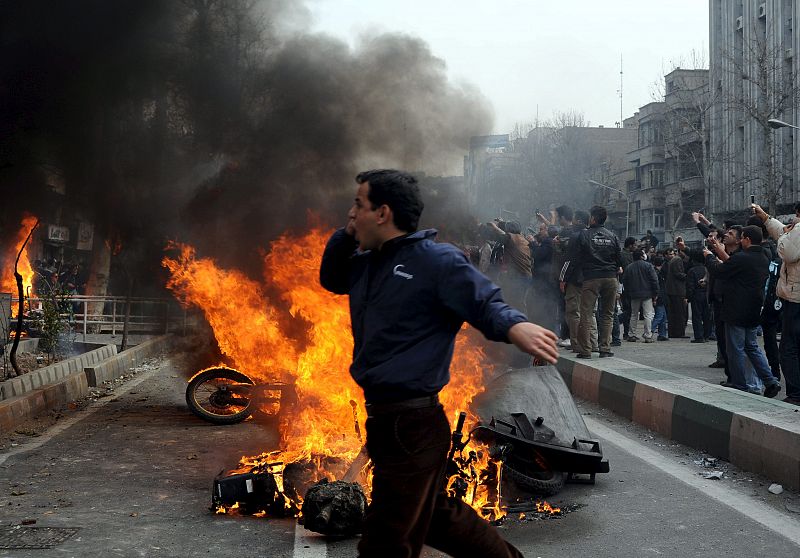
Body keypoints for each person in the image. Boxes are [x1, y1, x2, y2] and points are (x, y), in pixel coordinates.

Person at [319, 169, 558, 558]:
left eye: (358, 205)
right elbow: (331, 277)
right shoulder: (366, 263)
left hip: (413, 425)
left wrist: (515, 325)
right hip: (385, 422)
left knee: (385, 540)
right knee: (433, 517)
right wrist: (346, 234)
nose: (351, 213)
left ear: (382, 213)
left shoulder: (434, 260)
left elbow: (483, 301)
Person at [705, 225, 781, 397]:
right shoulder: (764, 256)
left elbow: (720, 271)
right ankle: (770, 381)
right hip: (753, 309)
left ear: (746, 239)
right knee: (752, 347)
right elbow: (732, 266)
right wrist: (719, 249)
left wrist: (709, 256)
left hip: (736, 310)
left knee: (735, 350)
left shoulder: (742, 257)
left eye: (742, 237)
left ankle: (739, 384)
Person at [754, 204, 800, 406]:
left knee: (789, 347)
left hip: (796, 298)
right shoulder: (795, 232)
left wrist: (789, 232)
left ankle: (796, 393)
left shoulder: (798, 230)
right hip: (795, 296)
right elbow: (786, 235)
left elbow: (787, 251)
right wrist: (766, 218)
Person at [574, 205, 622, 359]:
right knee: (608, 314)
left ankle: (586, 350)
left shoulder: (584, 235)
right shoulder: (612, 236)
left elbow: (577, 257)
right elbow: (619, 259)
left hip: (591, 278)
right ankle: (605, 349)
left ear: (593, 218)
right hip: (610, 277)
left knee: (586, 314)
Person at [621, 249, 658, 342]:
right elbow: (654, 280)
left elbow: (624, 281)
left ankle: (632, 334)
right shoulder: (648, 266)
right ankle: (648, 335)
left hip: (634, 294)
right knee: (648, 315)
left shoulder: (629, 267)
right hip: (647, 293)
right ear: (642, 256)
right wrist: (655, 293)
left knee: (634, 314)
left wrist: (628, 292)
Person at [686, 251, 712, 343]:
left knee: (697, 317)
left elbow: (690, 286)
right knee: (707, 316)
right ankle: (706, 335)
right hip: (707, 295)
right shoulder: (707, 269)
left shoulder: (692, 271)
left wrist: (688, 297)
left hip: (696, 295)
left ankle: (699, 336)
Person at [664, 246, 688, 338]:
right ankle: (679, 332)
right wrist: (688, 276)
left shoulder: (673, 260)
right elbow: (678, 274)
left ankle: (673, 332)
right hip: (677, 290)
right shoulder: (677, 260)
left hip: (672, 290)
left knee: (673, 313)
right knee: (680, 313)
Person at [650, 255, 669, 341]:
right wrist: (655, 297)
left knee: (663, 316)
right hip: (659, 297)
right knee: (659, 315)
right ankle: (649, 331)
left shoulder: (654, 271)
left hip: (660, 296)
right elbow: (657, 286)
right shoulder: (657, 273)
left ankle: (662, 334)